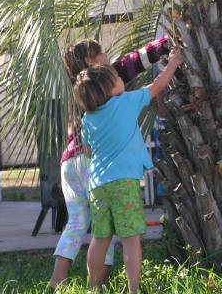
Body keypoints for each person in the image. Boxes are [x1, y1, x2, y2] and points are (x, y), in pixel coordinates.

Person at [49, 36, 170, 288]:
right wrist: (166, 44)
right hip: (99, 165)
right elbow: (135, 61)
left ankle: (58, 280)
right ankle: (103, 282)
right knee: (118, 229)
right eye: (100, 52)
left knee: (82, 224)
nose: (106, 56)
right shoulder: (105, 80)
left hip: (70, 162)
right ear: (88, 60)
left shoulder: (81, 89)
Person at [73, 49, 183, 294]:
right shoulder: (126, 102)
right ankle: (134, 289)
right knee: (130, 238)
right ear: (108, 89)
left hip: (98, 186)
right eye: (116, 79)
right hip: (124, 182)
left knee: (100, 238)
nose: (122, 79)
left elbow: (89, 152)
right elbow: (158, 85)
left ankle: (94, 288)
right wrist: (174, 61)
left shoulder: (88, 118)